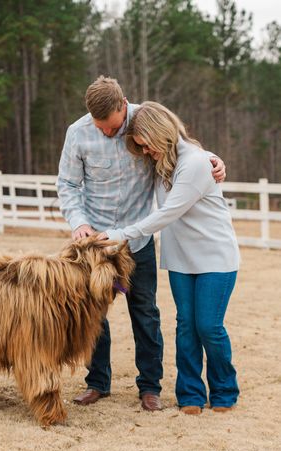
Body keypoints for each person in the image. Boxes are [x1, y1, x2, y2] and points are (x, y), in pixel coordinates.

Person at [57, 76, 226, 412]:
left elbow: (179, 147)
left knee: (145, 314)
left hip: (138, 241)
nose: (106, 132)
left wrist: (211, 157)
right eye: (99, 127)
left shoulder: (145, 123)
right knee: (93, 315)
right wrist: (79, 223)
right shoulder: (78, 133)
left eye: (111, 127)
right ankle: (97, 382)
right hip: (95, 244)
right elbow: (67, 184)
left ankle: (149, 387)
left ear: (124, 106)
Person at [100, 101, 240, 414]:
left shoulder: (195, 162)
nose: (145, 152)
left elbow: (168, 213)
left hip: (215, 258)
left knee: (209, 326)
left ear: (159, 135)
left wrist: (121, 234)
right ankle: (190, 394)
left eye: (146, 145)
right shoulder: (163, 162)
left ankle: (224, 390)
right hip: (180, 259)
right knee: (186, 326)